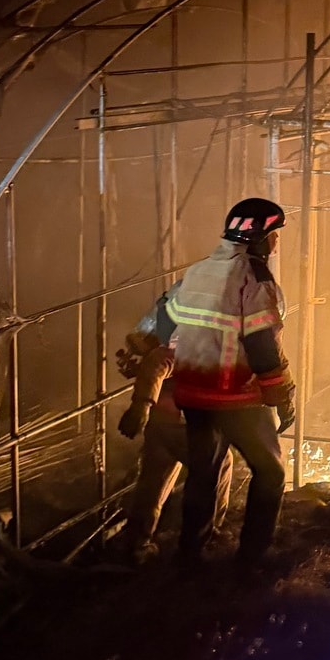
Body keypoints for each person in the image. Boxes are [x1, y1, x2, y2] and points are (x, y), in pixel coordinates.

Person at [168, 197, 295, 567]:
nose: (275, 243)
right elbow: (262, 343)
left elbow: (167, 319)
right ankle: (252, 559)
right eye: (274, 236)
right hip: (234, 396)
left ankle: (189, 556)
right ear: (260, 238)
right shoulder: (254, 278)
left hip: (192, 393)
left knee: (203, 473)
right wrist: (281, 393)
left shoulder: (197, 271)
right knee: (271, 472)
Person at [113, 288, 231, 560]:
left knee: (153, 484)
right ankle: (209, 537)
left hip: (162, 424)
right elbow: (160, 361)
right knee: (219, 465)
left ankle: (136, 545)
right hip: (184, 424)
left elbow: (155, 361)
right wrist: (140, 405)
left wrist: (143, 403)